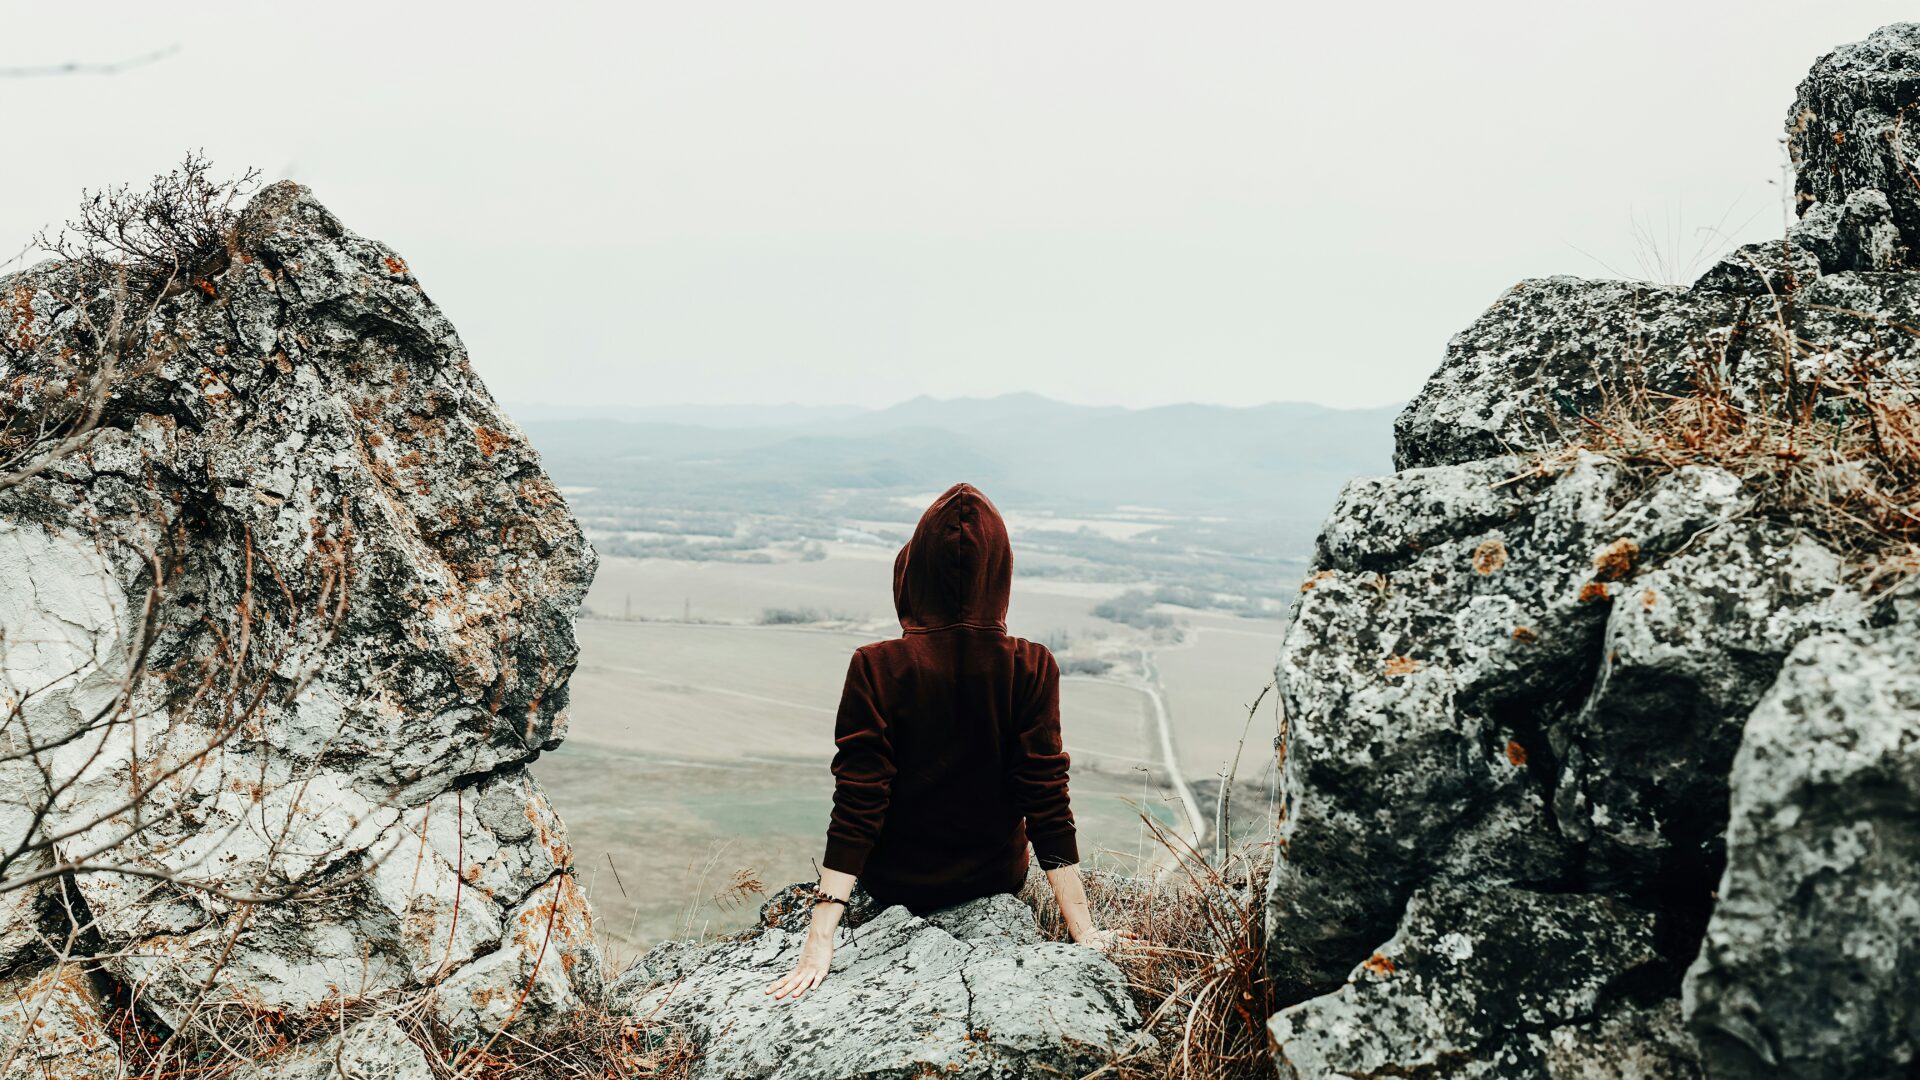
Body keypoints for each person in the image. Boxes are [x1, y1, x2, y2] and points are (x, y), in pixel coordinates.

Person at [767, 482, 1122, 1001]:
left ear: (916, 571)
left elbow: (859, 799)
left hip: (896, 885)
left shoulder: (876, 666)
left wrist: (822, 936)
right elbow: (1046, 796)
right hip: (994, 878)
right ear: (999, 572)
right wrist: (1083, 930)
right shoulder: (1031, 665)